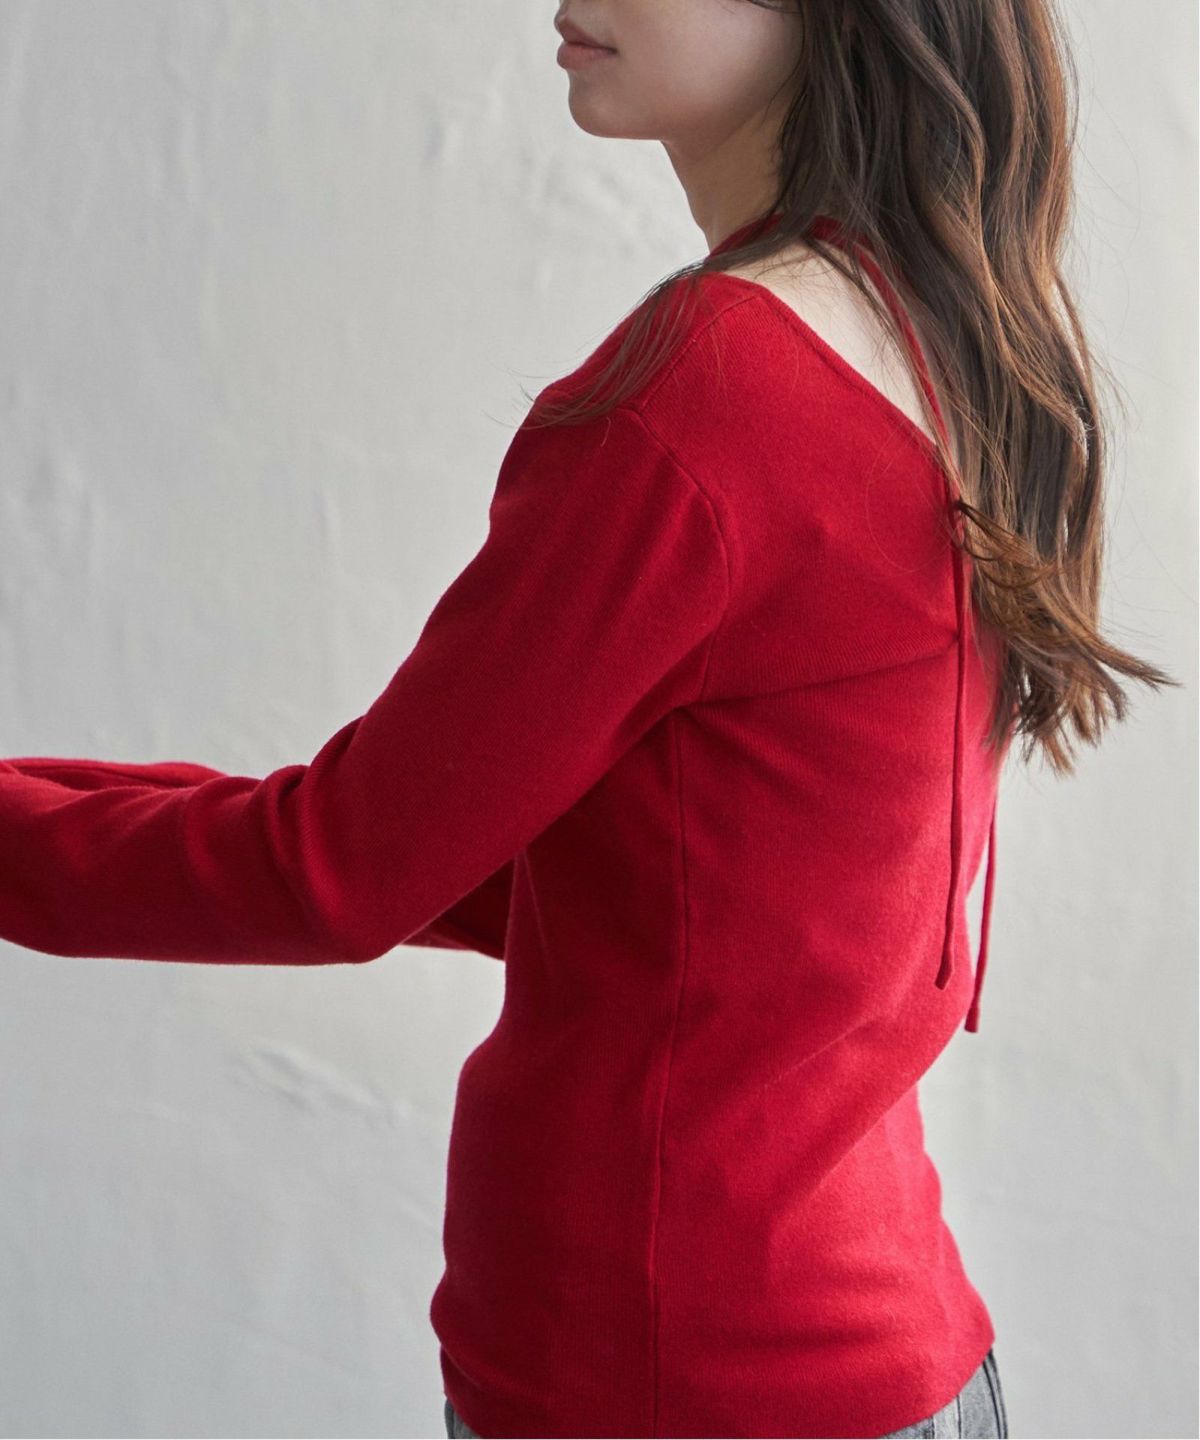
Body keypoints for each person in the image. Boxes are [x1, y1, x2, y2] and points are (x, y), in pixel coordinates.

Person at [0, 1, 1178, 1437]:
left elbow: (335, 870)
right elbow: (686, 891)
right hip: (882, 1356)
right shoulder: (941, 335)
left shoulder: (713, 388)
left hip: (670, 1385)